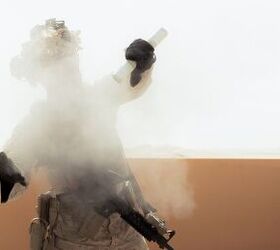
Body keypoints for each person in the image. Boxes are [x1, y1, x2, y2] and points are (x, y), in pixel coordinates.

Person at [0, 19, 157, 250]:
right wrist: (6, 172)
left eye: (70, 65)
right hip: (75, 241)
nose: (68, 74)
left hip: (127, 236)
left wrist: (142, 64)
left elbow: (130, 84)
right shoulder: (38, 125)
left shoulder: (98, 98)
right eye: (57, 67)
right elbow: (12, 179)